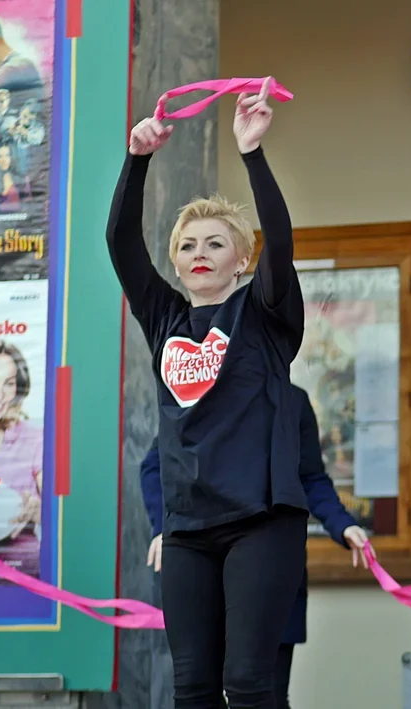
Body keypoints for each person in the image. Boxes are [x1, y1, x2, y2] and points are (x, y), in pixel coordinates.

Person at [106, 80, 313, 708]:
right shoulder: (166, 319)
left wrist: (252, 153)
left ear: (240, 259)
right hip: (188, 528)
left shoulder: (265, 315)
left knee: (248, 682)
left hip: (261, 520)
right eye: (188, 246)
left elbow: (280, 240)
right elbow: (119, 241)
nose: (200, 253)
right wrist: (137, 159)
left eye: (215, 243)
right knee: (192, 685)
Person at [140, 384, 369, 709]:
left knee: (266, 694)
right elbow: (156, 466)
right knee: (197, 688)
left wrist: (342, 524)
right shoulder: (201, 390)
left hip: (274, 564)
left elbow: (310, 477)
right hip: (206, 565)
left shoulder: (293, 401)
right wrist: (167, 527)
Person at [0, 340, 41, 574]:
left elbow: (62, 513)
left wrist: (37, 511)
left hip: (20, 576)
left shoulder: (33, 438)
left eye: (9, 384)